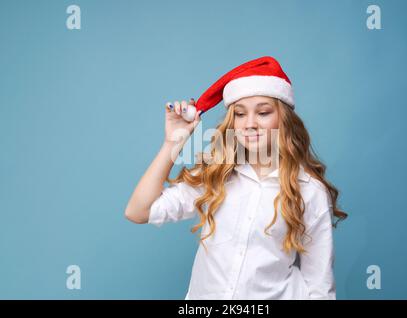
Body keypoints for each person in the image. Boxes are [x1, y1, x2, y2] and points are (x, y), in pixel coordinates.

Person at [125, 56, 348, 299]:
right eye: (240, 114)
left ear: (283, 119)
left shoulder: (309, 190)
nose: (250, 124)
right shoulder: (215, 173)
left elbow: (319, 286)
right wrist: (173, 141)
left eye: (263, 112)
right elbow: (138, 211)